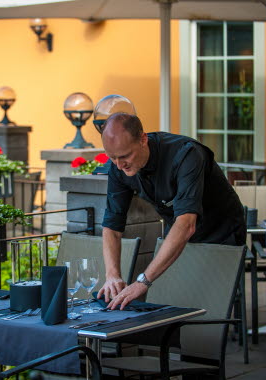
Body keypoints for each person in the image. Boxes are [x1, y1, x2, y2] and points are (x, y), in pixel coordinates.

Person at [97, 113, 246, 310]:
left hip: (221, 230)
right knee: (172, 301)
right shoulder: (118, 166)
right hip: (177, 231)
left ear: (143, 140)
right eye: (112, 157)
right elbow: (112, 227)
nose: (119, 164)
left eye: (125, 156)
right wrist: (112, 275)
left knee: (212, 305)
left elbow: (186, 224)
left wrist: (143, 282)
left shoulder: (186, 154)